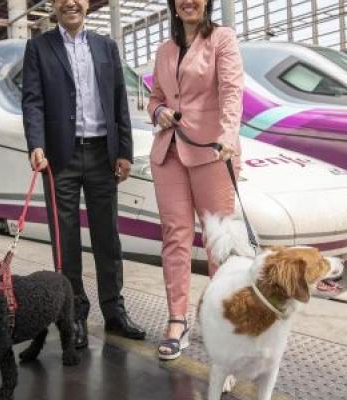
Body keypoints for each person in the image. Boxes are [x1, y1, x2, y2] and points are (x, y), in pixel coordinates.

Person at [21, 0, 146, 349]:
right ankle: (73, 313)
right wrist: (36, 142)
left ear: (88, 4)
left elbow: (119, 100)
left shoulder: (106, 47)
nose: (70, 2)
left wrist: (124, 151)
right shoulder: (39, 47)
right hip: (59, 157)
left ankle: (114, 311)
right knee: (66, 240)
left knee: (108, 237)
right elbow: (32, 100)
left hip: (101, 154)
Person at [148, 0, 244, 360]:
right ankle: (177, 319)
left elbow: (232, 91)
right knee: (175, 237)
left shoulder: (222, 39)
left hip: (212, 151)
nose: (188, 1)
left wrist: (229, 136)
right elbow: (155, 98)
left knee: (218, 242)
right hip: (168, 153)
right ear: (174, 6)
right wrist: (159, 111)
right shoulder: (164, 50)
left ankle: (223, 322)